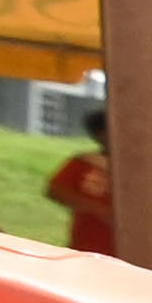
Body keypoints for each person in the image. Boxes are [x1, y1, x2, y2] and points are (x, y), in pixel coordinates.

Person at [43, 109, 112, 256]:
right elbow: (55, 190)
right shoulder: (85, 162)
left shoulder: (146, 169)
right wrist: (98, 209)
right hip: (87, 246)